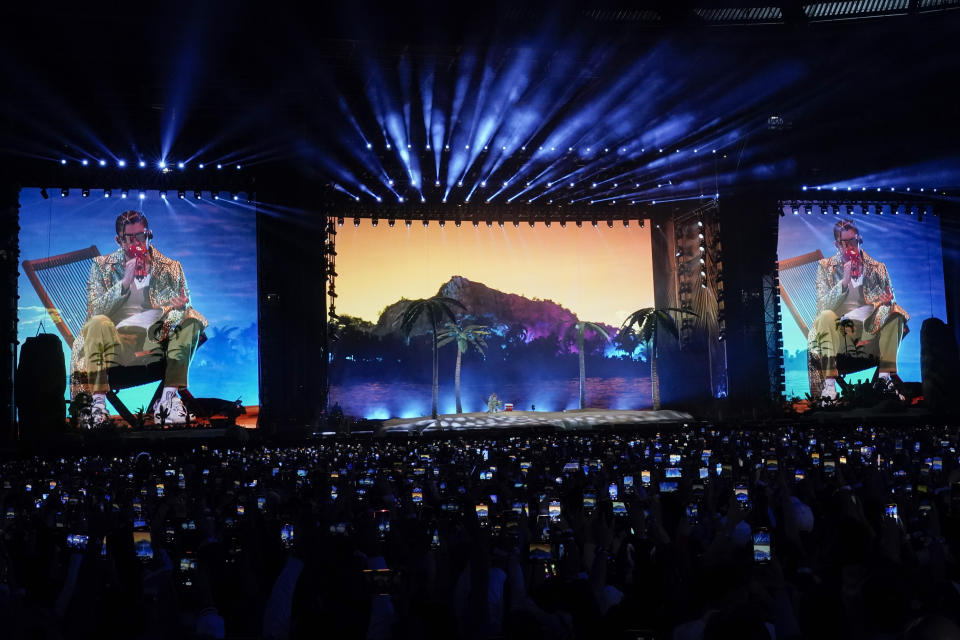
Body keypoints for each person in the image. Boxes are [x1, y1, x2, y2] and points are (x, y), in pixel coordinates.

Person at [69, 210, 207, 426]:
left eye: (141, 236)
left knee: (192, 319)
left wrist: (178, 308)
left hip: (156, 339)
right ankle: (97, 405)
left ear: (149, 235)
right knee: (97, 322)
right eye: (130, 238)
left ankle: (168, 399)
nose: (137, 242)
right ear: (119, 240)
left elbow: (182, 309)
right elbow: (94, 311)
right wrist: (124, 282)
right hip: (116, 343)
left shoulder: (171, 267)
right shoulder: (102, 266)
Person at [808, 219, 908, 399]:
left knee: (896, 313)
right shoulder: (825, 267)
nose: (851, 247)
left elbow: (891, 301)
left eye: (854, 241)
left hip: (870, 332)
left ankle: (884, 379)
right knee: (824, 315)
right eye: (845, 243)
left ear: (860, 240)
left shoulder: (878, 268)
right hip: (840, 335)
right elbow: (822, 305)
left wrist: (885, 303)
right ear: (837, 245)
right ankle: (830, 386)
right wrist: (844, 281)